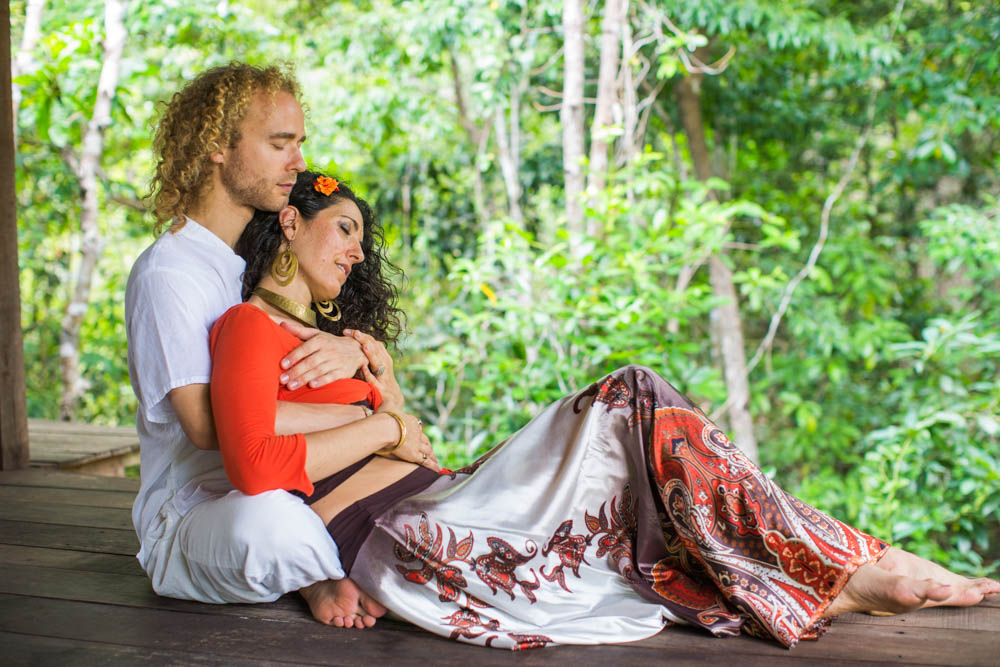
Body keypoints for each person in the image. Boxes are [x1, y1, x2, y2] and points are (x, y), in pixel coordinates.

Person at [211, 169, 999, 649]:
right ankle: (846, 560)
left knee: (633, 475)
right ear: (291, 221)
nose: (356, 252)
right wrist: (384, 422)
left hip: (442, 492)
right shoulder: (249, 327)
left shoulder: (341, 341)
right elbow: (251, 461)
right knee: (630, 395)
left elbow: (417, 443)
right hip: (393, 530)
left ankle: (842, 573)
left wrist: (379, 377)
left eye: (359, 237)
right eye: (344, 228)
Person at [125, 63, 389, 628]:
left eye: (299, 143)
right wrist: (362, 420)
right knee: (268, 525)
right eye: (279, 144)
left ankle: (338, 566)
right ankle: (320, 573)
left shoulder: (252, 261)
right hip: (196, 512)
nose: (298, 162)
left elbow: (290, 370)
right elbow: (207, 425)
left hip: (287, 480)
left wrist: (350, 351)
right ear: (218, 146)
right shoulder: (170, 272)